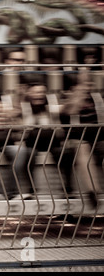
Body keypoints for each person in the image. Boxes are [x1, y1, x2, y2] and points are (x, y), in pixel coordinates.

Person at [59, 71, 103, 207]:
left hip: (98, 137)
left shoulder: (97, 98)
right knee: (82, 150)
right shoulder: (67, 100)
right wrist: (79, 93)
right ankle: (93, 191)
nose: (87, 86)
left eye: (89, 83)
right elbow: (69, 111)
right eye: (82, 84)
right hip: (77, 140)